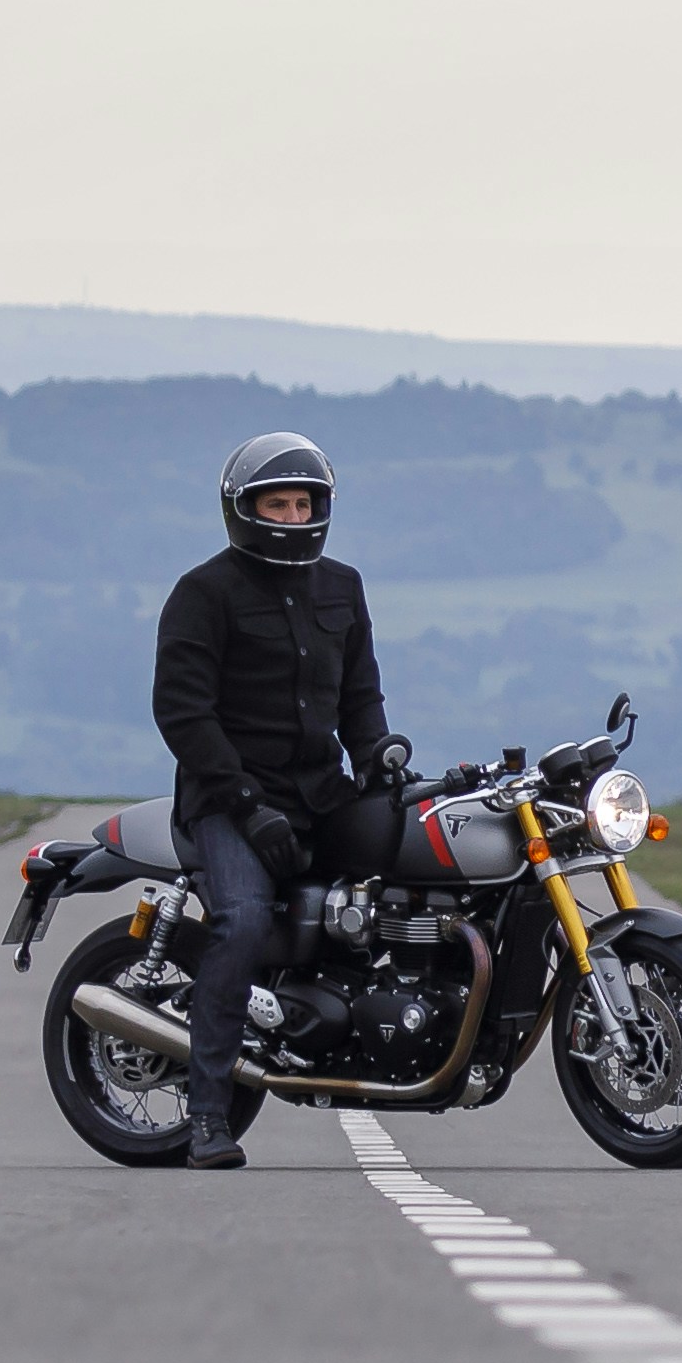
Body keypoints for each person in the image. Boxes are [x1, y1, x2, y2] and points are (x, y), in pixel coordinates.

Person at [145, 432, 395, 1168]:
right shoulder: (204, 593)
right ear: (244, 510)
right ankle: (209, 1118)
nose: (292, 515)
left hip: (322, 792)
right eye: (277, 503)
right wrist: (248, 805)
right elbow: (183, 714)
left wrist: (380, 752)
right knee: (245, 920)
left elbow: (360, 697)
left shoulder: (342, 586)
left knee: (418, 876)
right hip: (229, 802)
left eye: (303, 502)